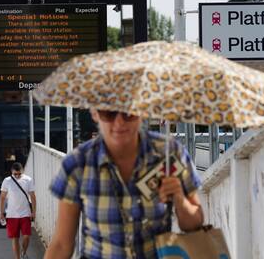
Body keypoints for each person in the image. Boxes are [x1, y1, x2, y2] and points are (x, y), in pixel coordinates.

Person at [44, 110, 204, 259]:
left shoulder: (170, 153)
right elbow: (61, 245)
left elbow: (195, 223)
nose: (119, 122)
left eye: (128, 113)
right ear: (94, 113)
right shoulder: (78, 163)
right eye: (109, 113)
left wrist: (179, 198)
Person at [0, 162, 36, 259]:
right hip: (11, 214)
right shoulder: (7, 181)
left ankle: (23, 252)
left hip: (25, 213)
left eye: (19, 174)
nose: (17, 176)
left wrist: (34, 212)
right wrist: (1, 213)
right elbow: (2, 198)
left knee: (27, 236)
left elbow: (33, 196)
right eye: (15, 174)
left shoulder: (28, 180)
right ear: (12, 172)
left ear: (22, 171)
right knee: (15, 238)